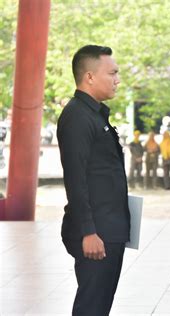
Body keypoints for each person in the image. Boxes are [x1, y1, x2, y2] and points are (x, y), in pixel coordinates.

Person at [57, 45, 130, 316]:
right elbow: (76, 179)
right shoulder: (77, 116)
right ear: (89, 76)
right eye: (112, 73)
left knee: (100, 304)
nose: (117, 80)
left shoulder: (95, 113)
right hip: (96, 232)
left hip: (108, 228)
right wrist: (88, 231)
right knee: (91, 306)